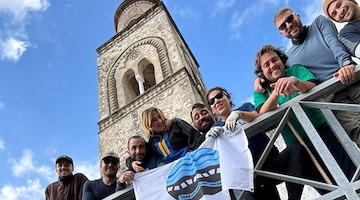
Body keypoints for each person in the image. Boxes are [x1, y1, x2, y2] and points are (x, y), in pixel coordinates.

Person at [253, 44, 356, 199]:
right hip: (302, 149)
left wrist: (295, 82)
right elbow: (262, 113)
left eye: (274, 60)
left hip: (326, 133)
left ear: (281, 60)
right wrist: (276, 92)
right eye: (266, 65)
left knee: (354, 176)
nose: (272, 65)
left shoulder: (295, 70)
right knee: (331, 193)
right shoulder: (262, 91)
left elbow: (312, 85)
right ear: (262, 72)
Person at [255, 7, 360, 148]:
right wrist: (260, 80)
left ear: (297, 15)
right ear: (281, 32)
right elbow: (276, 72)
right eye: (283, 26)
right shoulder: (289, 59)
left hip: (352, 78)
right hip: (332, 98)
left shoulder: (319, 23)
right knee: (357, 131)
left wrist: (346, 63)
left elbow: (334, 44)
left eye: (289, 19)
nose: (288, 25)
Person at [190, 92, 281, 200]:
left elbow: (258, 115)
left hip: (269, 161)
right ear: (213, 110)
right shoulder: (216, 128)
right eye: (211, 101)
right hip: (249, 176)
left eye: (219, 96)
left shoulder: (245, 107)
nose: (216, 101)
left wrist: (239, 114)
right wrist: (209, 139)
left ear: (228, 97)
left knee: (296, 150)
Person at [141, 107, 205, 165]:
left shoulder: (176, 124)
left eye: (160, 117)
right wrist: (131, 163)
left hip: (193, 162)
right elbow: (140, 158)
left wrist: (193, 152)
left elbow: (196, 138)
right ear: (148, 125)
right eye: (154, 120)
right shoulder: (151, 143)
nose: (160, 121)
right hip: (175, 173)